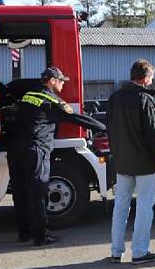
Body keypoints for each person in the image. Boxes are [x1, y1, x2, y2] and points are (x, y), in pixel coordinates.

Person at [8, 67, 106, 246]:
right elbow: (77, 118)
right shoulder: (52, 100)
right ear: (52, 81)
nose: (63, 84)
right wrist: (103, 127)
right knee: (38, 192)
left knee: (20, 192)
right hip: (35, 149)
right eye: (61, 81)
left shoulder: (28, 95)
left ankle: (24, 233)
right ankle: (41, 236)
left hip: (15, 149)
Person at [107, 59, 155, 264]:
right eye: (151, 78)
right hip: (144, 164)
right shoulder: (145, 100)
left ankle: (116, 251)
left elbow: (110, 131)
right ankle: (140, 251)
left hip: (122, 162)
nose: (152, 81)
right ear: (145, 78)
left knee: (120, 207)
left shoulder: (114, 98)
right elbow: (154, 136)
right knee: (144, 207)